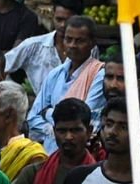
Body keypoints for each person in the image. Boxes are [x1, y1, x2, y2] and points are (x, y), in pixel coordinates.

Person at [26, 16, 103, 148]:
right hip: (50, 152)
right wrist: (50, 129)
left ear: (92, 43)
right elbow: (33, 118)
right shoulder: (55, 74)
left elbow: (84, 119)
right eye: (68, 39)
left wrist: (47, 113)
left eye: (79, 41)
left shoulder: (98, 75)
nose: (72, 45)